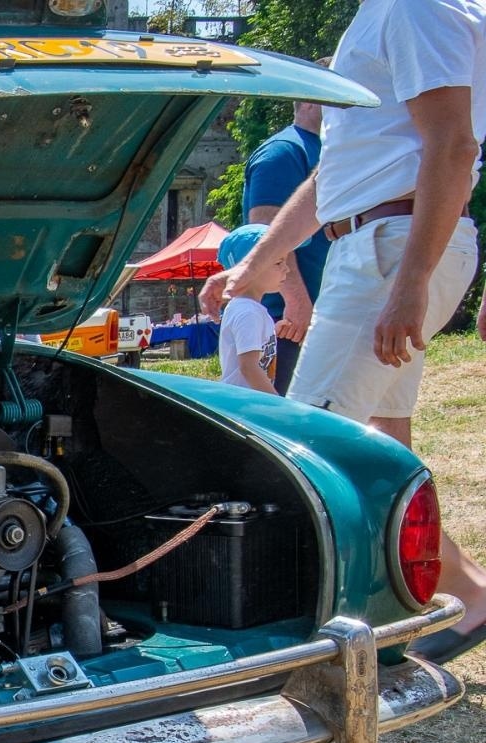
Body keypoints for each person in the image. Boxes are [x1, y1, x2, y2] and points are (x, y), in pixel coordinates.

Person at [200, 0, 486, 662]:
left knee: (302, 452)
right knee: (382, 446)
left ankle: (301, 641)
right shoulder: (387, 13)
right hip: (381, 241)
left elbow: (454, 145)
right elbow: (335, 174)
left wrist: (411, 281)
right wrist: (255, 263)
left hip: (391, 245)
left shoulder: (416, 8)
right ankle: (467, 594)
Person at [242, 84, 333, 393]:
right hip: (285, 320)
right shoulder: (284, 151)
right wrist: (295, 300)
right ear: (309, 101)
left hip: (318, 312)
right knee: (282, 411)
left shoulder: (326, 149)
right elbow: (266, 228)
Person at [214, 224, 286, 394]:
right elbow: (249, 367)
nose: (287, 268)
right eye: (279, 262)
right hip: (243, 403)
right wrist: (277, 403)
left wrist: (272, 330)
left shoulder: (248, 308)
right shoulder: (248, 312)